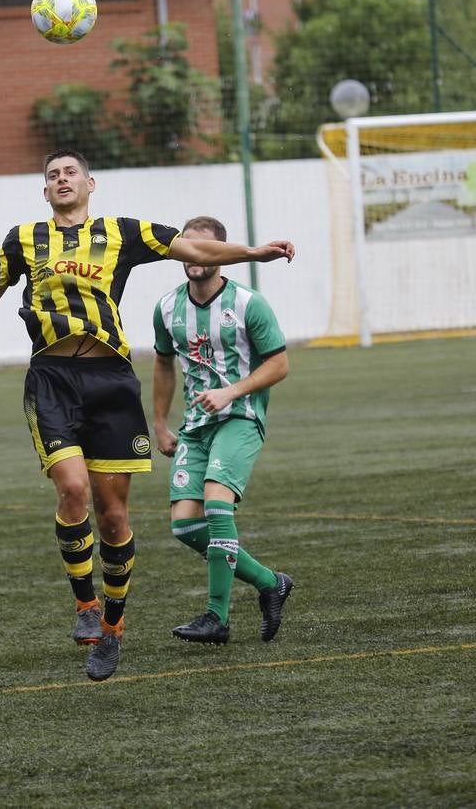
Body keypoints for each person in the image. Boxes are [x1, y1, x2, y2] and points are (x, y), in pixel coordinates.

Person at [0, 150, 294, 681]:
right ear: (45, 192)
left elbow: (193, 246)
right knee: (71, 488)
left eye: (69, 172)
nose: (60, 179)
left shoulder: (123, 232)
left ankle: (114, 631)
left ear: (91, 184)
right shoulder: (22, 241)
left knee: (113, 516)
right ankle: (85, 606)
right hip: (52, 380)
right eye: (51, 175)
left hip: (111, 383)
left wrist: (253, 253)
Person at [152, 215, 293, 645]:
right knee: (184, 526)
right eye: (187, 248)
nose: (195, 257)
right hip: (196, 427)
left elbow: (280, 364)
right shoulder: (166, 307)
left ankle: (217, 617)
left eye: (205, 248)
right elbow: (162, 363)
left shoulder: (250, 303)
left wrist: (233, 391)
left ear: (220, 254)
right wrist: (159, 422)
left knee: (216, 507)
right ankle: (271, 582)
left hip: (240, 417)